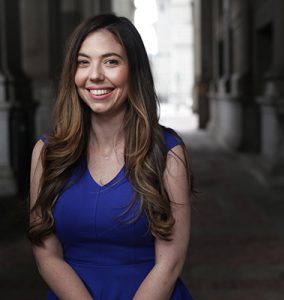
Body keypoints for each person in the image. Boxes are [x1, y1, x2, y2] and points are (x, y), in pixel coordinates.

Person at [28, 13, 193, 300]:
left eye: (111, 61)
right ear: (73, 73)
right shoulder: (48, 153)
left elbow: (170, 263)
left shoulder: (167, 151)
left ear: (134, 70)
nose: (94, 75)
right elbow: (47, 257)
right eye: (83, 62)